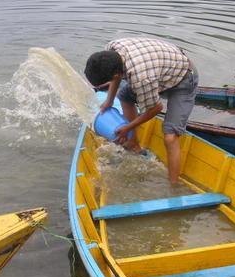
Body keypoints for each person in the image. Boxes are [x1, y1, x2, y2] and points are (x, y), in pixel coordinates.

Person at [84, 37, 198, 184]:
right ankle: (134, 146)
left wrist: (127, 128)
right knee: (125, 96)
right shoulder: (112, 49)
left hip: (184, 78)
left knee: (170, 136)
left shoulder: (141, 79)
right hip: (161, 67)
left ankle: (174, 185)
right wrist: (110, 101)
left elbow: (156, 108)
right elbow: (116, 77)